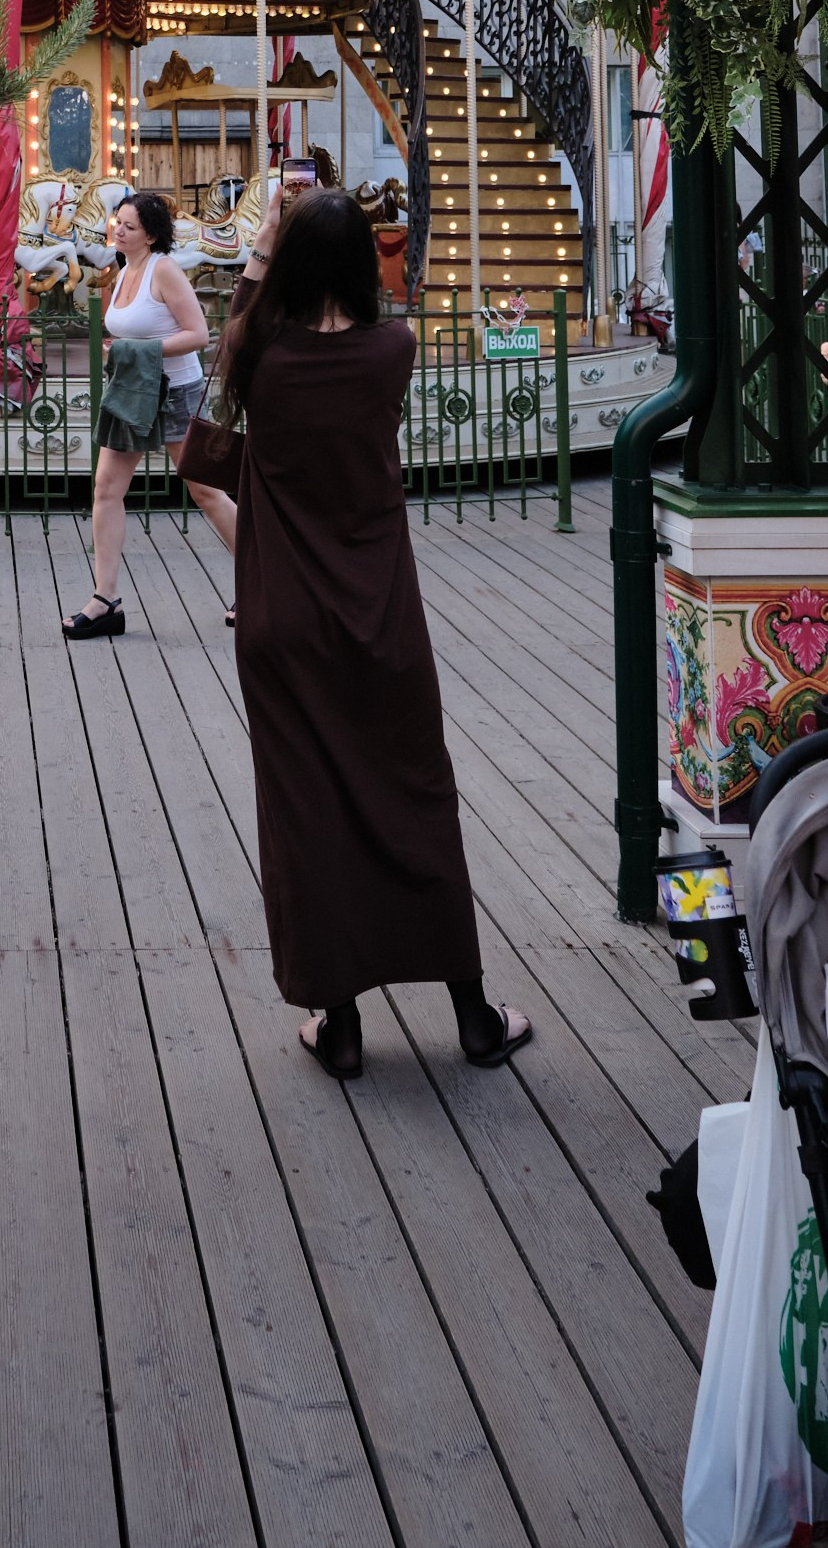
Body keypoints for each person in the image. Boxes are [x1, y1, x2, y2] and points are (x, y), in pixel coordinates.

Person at [219, 184, 529, 1079]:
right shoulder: (392, 350)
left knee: (306, 812)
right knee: (414, 798)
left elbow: (237, 333)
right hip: (380, 614)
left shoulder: (262, 359)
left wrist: (263, 246)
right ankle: (473, 1014)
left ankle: (341, 1023)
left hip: (281, 619)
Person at [63, 190, 236, 639]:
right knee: (105, 489)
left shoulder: (165, 270)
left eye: (129, 226)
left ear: (151, 235)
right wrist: (124, 355)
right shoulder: (123, 269)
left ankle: (262, 582)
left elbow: (198, 334)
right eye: (116, 222)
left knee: (205, 491)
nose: (118, 230)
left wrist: (137, 350)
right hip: (133, 389)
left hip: (175, 390)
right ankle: (105, 599)